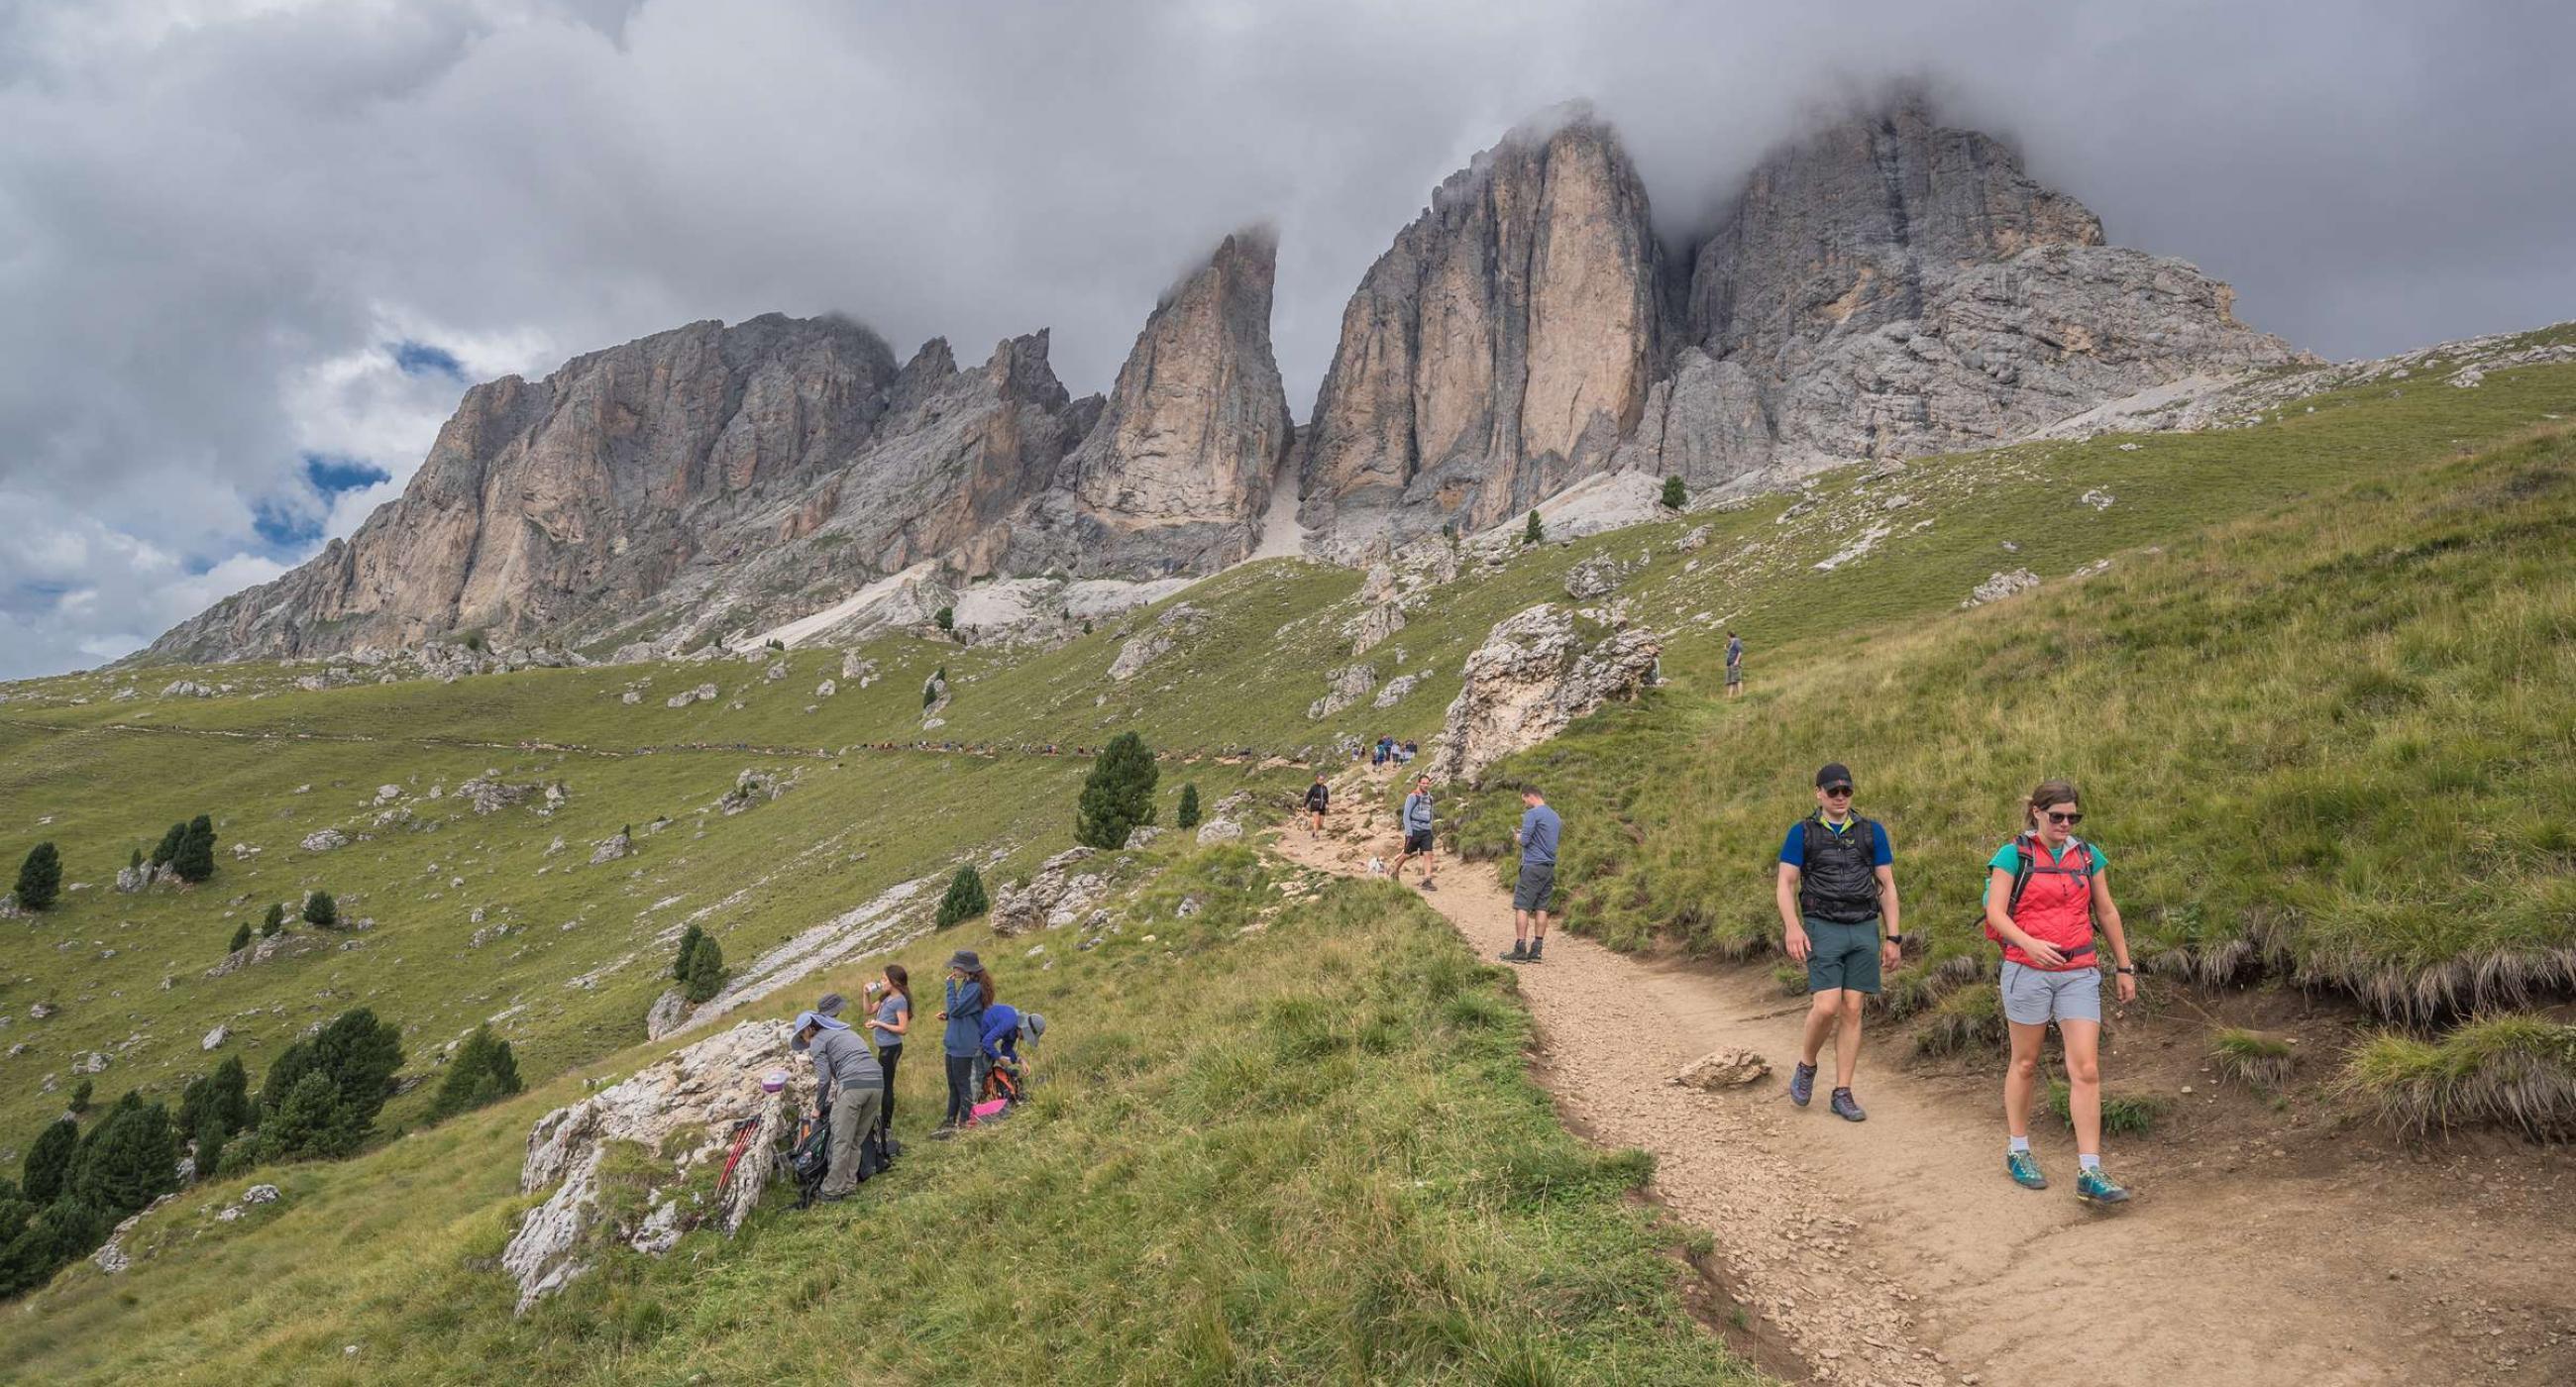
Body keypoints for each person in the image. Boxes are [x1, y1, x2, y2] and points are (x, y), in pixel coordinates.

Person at [1986, 780, 2137, 1205]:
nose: (2065, 824)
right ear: (2037, 812)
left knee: (2086, 1068)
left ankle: (2090, 1169)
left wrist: (2123, 966)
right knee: (2027, 1061)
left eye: (2073, 817)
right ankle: (2018, 1149)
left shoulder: (2088, 855)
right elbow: (1995, 912)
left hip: (2079, 970)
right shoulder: (2012, 854)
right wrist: (2029, 943)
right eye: (2057, 817)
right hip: (2026, 970)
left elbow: (2105, 910)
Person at [1776, 763, 1901, 1122]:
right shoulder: (1802, 833)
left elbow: (1887, 885)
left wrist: (1893, 936)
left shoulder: (1871, 832)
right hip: (1822, 926)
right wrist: (1792, 927)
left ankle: (1842, 1092)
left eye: (1846, 791)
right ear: (1819, 794)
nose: (1841, 797)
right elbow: (1786, 883)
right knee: (1827, 1006)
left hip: (1863, 925)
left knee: (1852, 1008)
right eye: (1833, 791)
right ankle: (1807, 1064)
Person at [791, 1006, 882, 1202]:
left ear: (809, 1029)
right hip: (876, 1082)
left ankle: (831, 1190)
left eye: (802, 1036)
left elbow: (824, 1079)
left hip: (853, 1085)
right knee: (856, 1139)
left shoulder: (817, 1041)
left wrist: (817, 1107)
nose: (805, 1042)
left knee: (840, 1140)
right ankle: (848, 1185)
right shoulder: (845, 1033)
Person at [933, 950, 992, 1138]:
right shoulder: (967, 985)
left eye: (956, 966)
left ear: (966, 968)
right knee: (953, 1085)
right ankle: (950, 1121)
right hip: (954, 1043)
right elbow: (960, 1011)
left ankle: (965, 1122)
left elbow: (957, 1008)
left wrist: (949, 986)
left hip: (964, 1045)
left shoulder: (974, 988)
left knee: (962, 1085)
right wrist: (949, 1015)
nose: (953, 970)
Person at [1501, 787, 1560, 964]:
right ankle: (1537, 951)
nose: (1524, 803)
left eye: (1524, 800)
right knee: (1542, 907)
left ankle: (1520, 949)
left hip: (1532, 865)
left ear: (1530, 796)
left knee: (1522, 906)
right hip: (1548, 867)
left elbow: (1525, 841)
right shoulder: (1555, 817)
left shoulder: (1532, 815)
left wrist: (1517, 836)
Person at [864, 965, 911, 1149]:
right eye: (881, 979)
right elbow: (868, 1010)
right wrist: (866, 994)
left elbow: (903, 1029)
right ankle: (883, 1123)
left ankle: (886, 1126)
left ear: (895, 982)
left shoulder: (899, 1001)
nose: (881, 982)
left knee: (886, 1086)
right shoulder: (886, 998)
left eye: (884, 979)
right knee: (883, 1084)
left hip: (891, 1048)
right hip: (883, 1047)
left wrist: (879, 1024)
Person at [1390, 774, 1438, 890]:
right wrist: (1409, 832)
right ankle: (1395, 870)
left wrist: (1430, 828)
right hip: (1414, 830)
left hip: (1426, 830)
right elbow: (1406, 815)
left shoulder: (1430, 799)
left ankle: (1427, 880)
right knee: (1407, 854)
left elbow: (1430, 814)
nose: (1426, 785)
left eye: (1427, 783)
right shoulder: (1412, 797)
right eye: (1423, 783)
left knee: (1428, 854)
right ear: (1419, 783)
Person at [1725, 630, 1744, 697]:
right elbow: (1733, 653)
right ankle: (1731, 698)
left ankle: (1741, 696)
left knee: (1738, 680)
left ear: (1729, 635)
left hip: (1734, 663)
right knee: (1732, 681)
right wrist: (1726, 650)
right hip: (1730, 664)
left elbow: (1740, 651)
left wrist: (1737, 661)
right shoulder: (1732, 642)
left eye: (1727, 635)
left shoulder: (1736, 641)